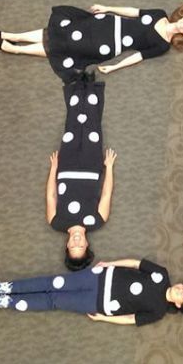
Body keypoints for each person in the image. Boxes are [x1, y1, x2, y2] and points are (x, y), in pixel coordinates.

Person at [0, 3, 183, 82]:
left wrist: (114, 67)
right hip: (106, 24)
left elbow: (138, 56)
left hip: (107, 45)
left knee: (64, 46)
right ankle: (15, 36)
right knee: (61, 31)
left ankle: (15, 50)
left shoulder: (163, 45)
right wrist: (108, 7)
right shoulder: (159, 14)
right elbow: (133, 12)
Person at [0, 259, 183, 326]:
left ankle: (8, 302)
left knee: (56, 299)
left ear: (179, 304)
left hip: (99, 303)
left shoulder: (158, 311)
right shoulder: (161, 274)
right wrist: (110, 263)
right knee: (55, 282)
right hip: (99, 276)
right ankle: (8, 287)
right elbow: (135, 263)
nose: (181, 289)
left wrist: (104, 319)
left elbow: (131, 319)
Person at [46, 77, 116, 271]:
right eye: (80, 246)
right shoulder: (97, 221)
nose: (77, 242)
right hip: (91, 169)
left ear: (67, 246)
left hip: (66, 169)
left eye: (73, 246)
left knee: (73, 128)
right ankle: (92, 87)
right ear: (87, 245)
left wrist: (53, 169)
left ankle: (76, 87)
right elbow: (106, 194)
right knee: (92, 128)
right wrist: (108, 167)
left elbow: (51, 195)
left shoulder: (56, 222)